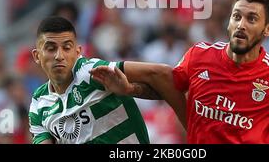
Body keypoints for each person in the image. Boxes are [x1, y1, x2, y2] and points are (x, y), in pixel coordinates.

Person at [91, 0, 269, 144]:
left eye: (252, 19)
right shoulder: (199, 56)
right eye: (237, 16)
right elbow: (167, 89)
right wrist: (130, 88)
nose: (241, 24)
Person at [28, 16, 183, 144]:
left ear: (77, 52)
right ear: (37, 56)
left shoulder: (91, 72)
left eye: (67, 48)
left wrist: (195, 132)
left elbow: (162, 73)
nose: (59, 56)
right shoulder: (38, 103)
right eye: (51, 48)